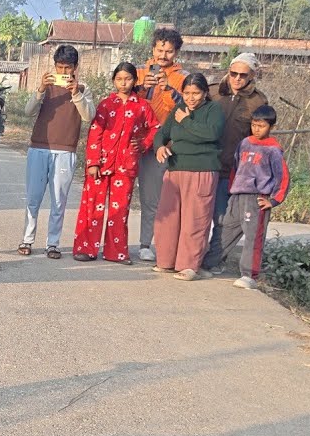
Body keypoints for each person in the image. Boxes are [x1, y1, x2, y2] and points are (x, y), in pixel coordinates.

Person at [72, 62, 158, 264]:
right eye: (119, 79)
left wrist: (144, 143)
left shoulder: (143, 106)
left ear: (135, 80)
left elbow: (155, 127)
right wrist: (92, 162)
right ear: (113, 81)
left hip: (126, 165)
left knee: (120, 210)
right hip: (101, 164)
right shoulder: (106, 104)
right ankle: (86, 248)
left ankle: (115, 252)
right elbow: (95, 133)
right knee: (92, 206)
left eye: (128, 79)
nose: (123, 83)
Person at [19, 44, 93, 259]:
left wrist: (76, 92)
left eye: (67, 68)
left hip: (66, 151)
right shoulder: (46, 86)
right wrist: (41, 89)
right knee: (33, 198)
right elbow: (28, 111)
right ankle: (27, 239)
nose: (63, 72)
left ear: (75, 67)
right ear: (54, 66)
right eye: (59, 67)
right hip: (38, 148)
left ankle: (53, 243)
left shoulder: (83, 88)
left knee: (59, 200)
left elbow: (89, 116)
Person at [151, 72, 224, 281]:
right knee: (168, 218)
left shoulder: (213, 109)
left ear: (205, 93)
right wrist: (159, 147)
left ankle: (189, 265)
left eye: (196, 93)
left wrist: (187, 122)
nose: (191, 98)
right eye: (187, 93)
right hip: (175, 169)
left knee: (196, 219)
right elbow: (162, 133)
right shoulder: (178, 109)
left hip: (202, 170)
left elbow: (212, 134)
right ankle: (166, 261)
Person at [203, 52, 268, 274]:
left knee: (222, 218)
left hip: (232, 170)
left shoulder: (258, 101)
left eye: (243, 75)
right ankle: (194, 256)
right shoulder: (211, 92)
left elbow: (259, 137)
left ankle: (216, 259)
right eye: (233, 73)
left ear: (252, 76)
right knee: (200, 216)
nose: (237, 78)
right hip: (205, 164)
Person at [216, 104, 289, 289]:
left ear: (271, 127)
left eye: (262, 126)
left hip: (257, 198)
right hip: (237, 196)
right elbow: (235, 166)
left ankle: (249, 275)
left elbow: (283, 178)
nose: (257, 129)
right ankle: (213, 262)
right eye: (254, 125)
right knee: (225, 230)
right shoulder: (245, 143)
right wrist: (232, 189)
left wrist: (273, 200)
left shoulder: (273, 150)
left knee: (253, 237)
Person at [135, 27, 189, 262]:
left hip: (162, 144)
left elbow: (184, 107)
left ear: (176, 53)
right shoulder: (138, 72)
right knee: (124, 196)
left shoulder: (182, 79)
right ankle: (113, 241)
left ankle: (147, 243)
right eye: (160, 50)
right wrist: (141, 88)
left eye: (169, 51)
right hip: (134, 142)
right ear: (152, 49)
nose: (163, 56)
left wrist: (168, 89)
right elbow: (126, 102)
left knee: (153, 197)